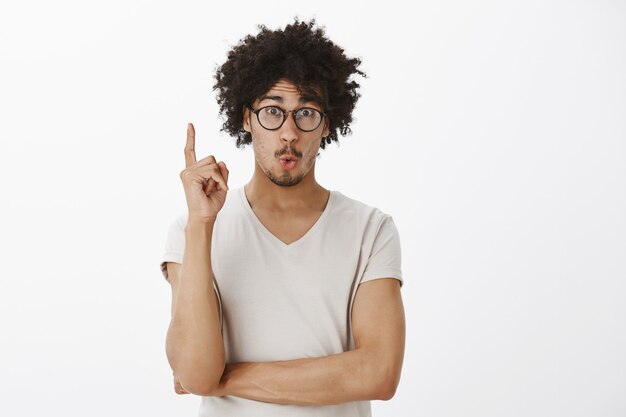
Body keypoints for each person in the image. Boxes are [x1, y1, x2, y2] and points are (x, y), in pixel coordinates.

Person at [160, 19, 405, 417]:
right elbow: (196, 369)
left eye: (305, 113)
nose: (289, 133)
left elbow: (378, 373)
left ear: (326, 124)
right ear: (246, 118)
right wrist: (201, 225)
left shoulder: (370, 230)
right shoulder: (192, 231)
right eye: (273, 111)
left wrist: (228, 377)